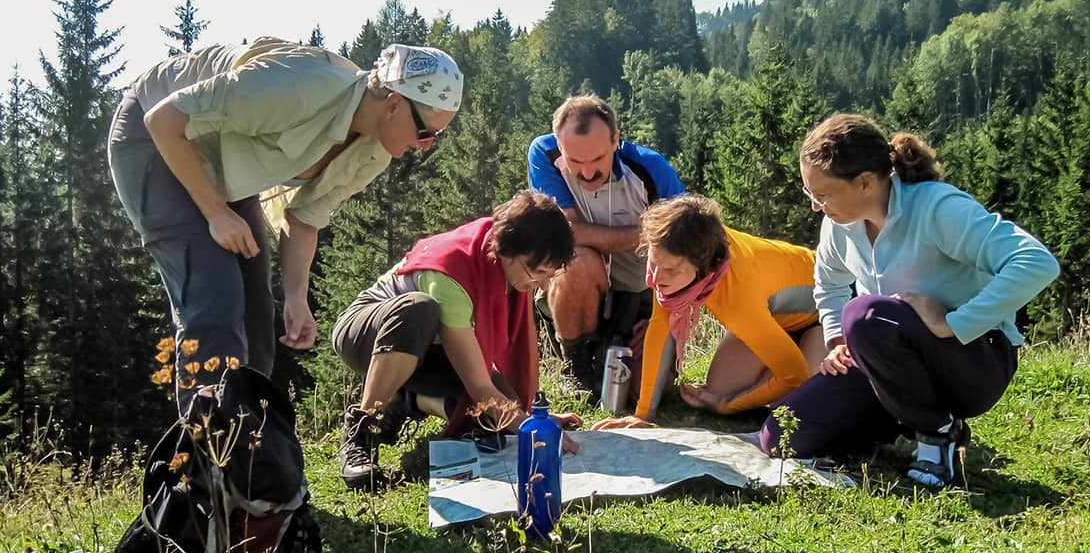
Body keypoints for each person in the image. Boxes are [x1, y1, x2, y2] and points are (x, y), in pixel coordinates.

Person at [107, 37, 462, 548]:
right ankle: (202, 492)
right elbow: (164, 121)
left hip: (225, 167)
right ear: (392, 102)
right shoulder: (301, 84)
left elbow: (303, 217)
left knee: (257, 323)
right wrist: (214, 212)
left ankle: (255, 478)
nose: (424, 147)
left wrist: (296, 297)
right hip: (154, 145)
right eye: (425, 133)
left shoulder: (374, 150)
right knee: (214, 309)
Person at [759, 113, 1059, 489]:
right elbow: (830, 283)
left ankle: (937, 434)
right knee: (782, 437)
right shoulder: (839, 224)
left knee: (865, 315)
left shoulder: (938, 208)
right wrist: (836, 340)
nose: (815, 207)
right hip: (889, 364)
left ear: (865, 182)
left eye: (822, 195)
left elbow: (1036, 262)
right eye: (810, 194)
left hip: (975, 361)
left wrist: (953, 322)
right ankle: (904, 417)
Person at [332, 191, 584, 490]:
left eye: (549, 275)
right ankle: (361, 430)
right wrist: (531, 429)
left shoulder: (507, 264)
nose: (541, 284)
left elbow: (484, 379)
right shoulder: (453, 270)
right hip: (367, 332)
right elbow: (480, 387)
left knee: (494, 421)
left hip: (427, 350)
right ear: (507, 251)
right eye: (537, 272)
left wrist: (528, 416)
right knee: (419, 309)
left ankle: (406, 401)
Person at [592, 194, 827, 430]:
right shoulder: (676, 252)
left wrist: (728, 405)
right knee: (718, 388)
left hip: (822, 319)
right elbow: (659, 327)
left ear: (703, 268)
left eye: (671, 270)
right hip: (775, 320)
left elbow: (794, 375)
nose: (656, 278)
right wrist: (643, 415)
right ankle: (780, 352)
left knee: (790, 404)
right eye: (653, 263)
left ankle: (804, 354)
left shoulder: (739, 298)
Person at [527, 94, 684, 396]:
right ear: (560, 146)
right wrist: (646, 234)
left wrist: (665, 321)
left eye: (598, 159)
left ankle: (618, 353)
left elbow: (686, 244)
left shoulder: (650, 169)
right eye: (575, 162)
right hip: (576, 289)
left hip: (641, 292)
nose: (587, 173)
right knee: (577, 260)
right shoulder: (543, 154)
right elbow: (563, 234)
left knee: (650, 391)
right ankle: (578, 367)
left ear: (615, 140)